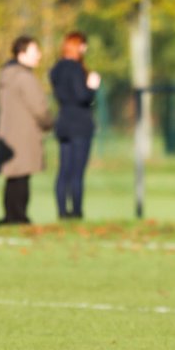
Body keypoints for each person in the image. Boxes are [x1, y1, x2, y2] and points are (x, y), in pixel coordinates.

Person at [0, 36, 55, 225]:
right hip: (24, 133)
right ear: (22, 54)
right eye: (34, 51)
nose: (38, 55)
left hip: (9, 132)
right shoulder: (24, 77)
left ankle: (11, 214)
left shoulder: (6, 75)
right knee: (21, 177)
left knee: (14, 178)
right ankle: (18, 217)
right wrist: (49, 122)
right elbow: (39, 107)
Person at [50, 31, 102, 219]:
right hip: (79, 124)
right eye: (83, 45)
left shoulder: (56, 69)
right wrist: (92, 87)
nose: (85, 49)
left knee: (64, 170)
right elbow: (82, 96)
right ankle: (76, 212)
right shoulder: (76, 69)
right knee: (77, 172)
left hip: (63, 122)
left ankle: (62, 211)